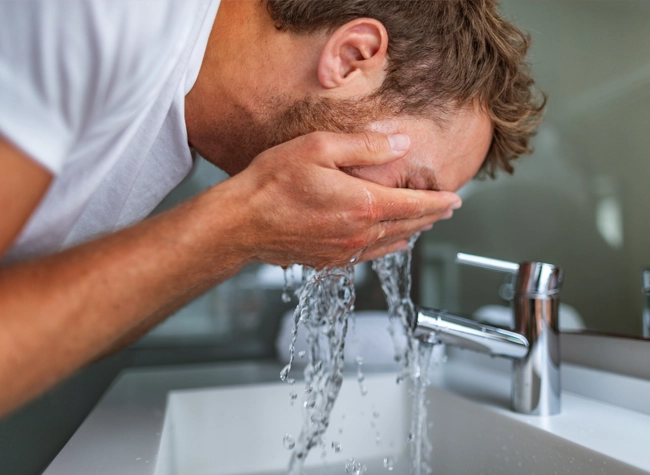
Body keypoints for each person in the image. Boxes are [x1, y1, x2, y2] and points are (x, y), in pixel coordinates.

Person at [0, 0, 544, 417]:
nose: (388, 218)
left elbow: (56, 327)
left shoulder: (175, 133)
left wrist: (251, 232)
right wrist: (238, 224)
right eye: (406, 185)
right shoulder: (111, 16)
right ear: (352, 56)